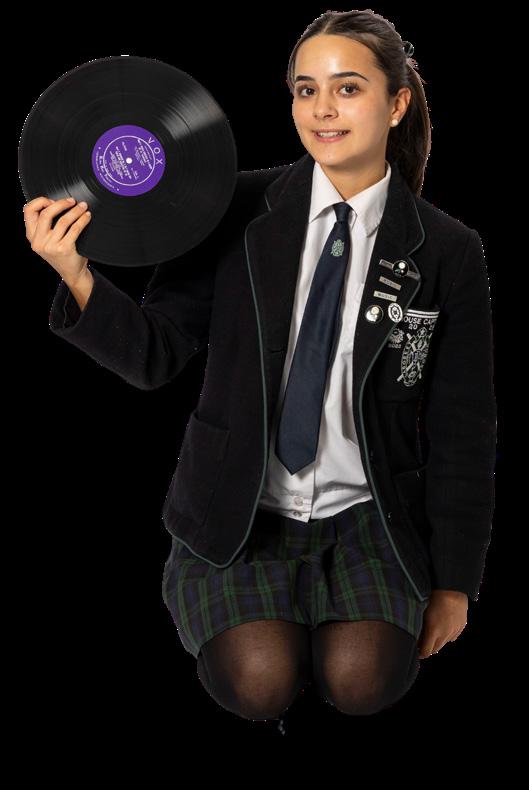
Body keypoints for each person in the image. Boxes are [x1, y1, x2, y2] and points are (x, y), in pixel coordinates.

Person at [24, 10, 496, 730]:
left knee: (363, 683)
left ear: (397, 103)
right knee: (258, 684)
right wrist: (76, 274)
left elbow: (464, 430)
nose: (322, 109)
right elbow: (155, 355)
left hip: (371, 519)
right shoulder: (232, 209)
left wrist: (455, 583)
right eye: (305, 90)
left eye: (347, 88)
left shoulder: (447, 250)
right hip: (237, 513)